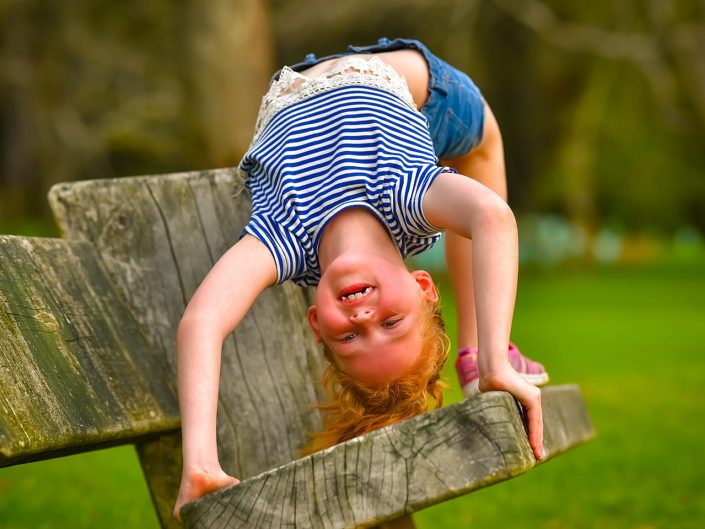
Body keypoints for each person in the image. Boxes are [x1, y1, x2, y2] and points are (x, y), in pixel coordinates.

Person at [172, 37, 548, 520]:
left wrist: (200, 460)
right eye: (391, 323)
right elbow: (492, 218)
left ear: (316, 323)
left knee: (474, 160)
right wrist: (499, 360)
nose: (364, 316)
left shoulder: (283, 237)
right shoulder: (408, 197)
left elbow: (203, 321)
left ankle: (475, 356)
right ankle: (478, 354)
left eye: (349, 336)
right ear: (422, 286)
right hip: (415, 86)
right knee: (485, 145)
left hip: (302, 83)